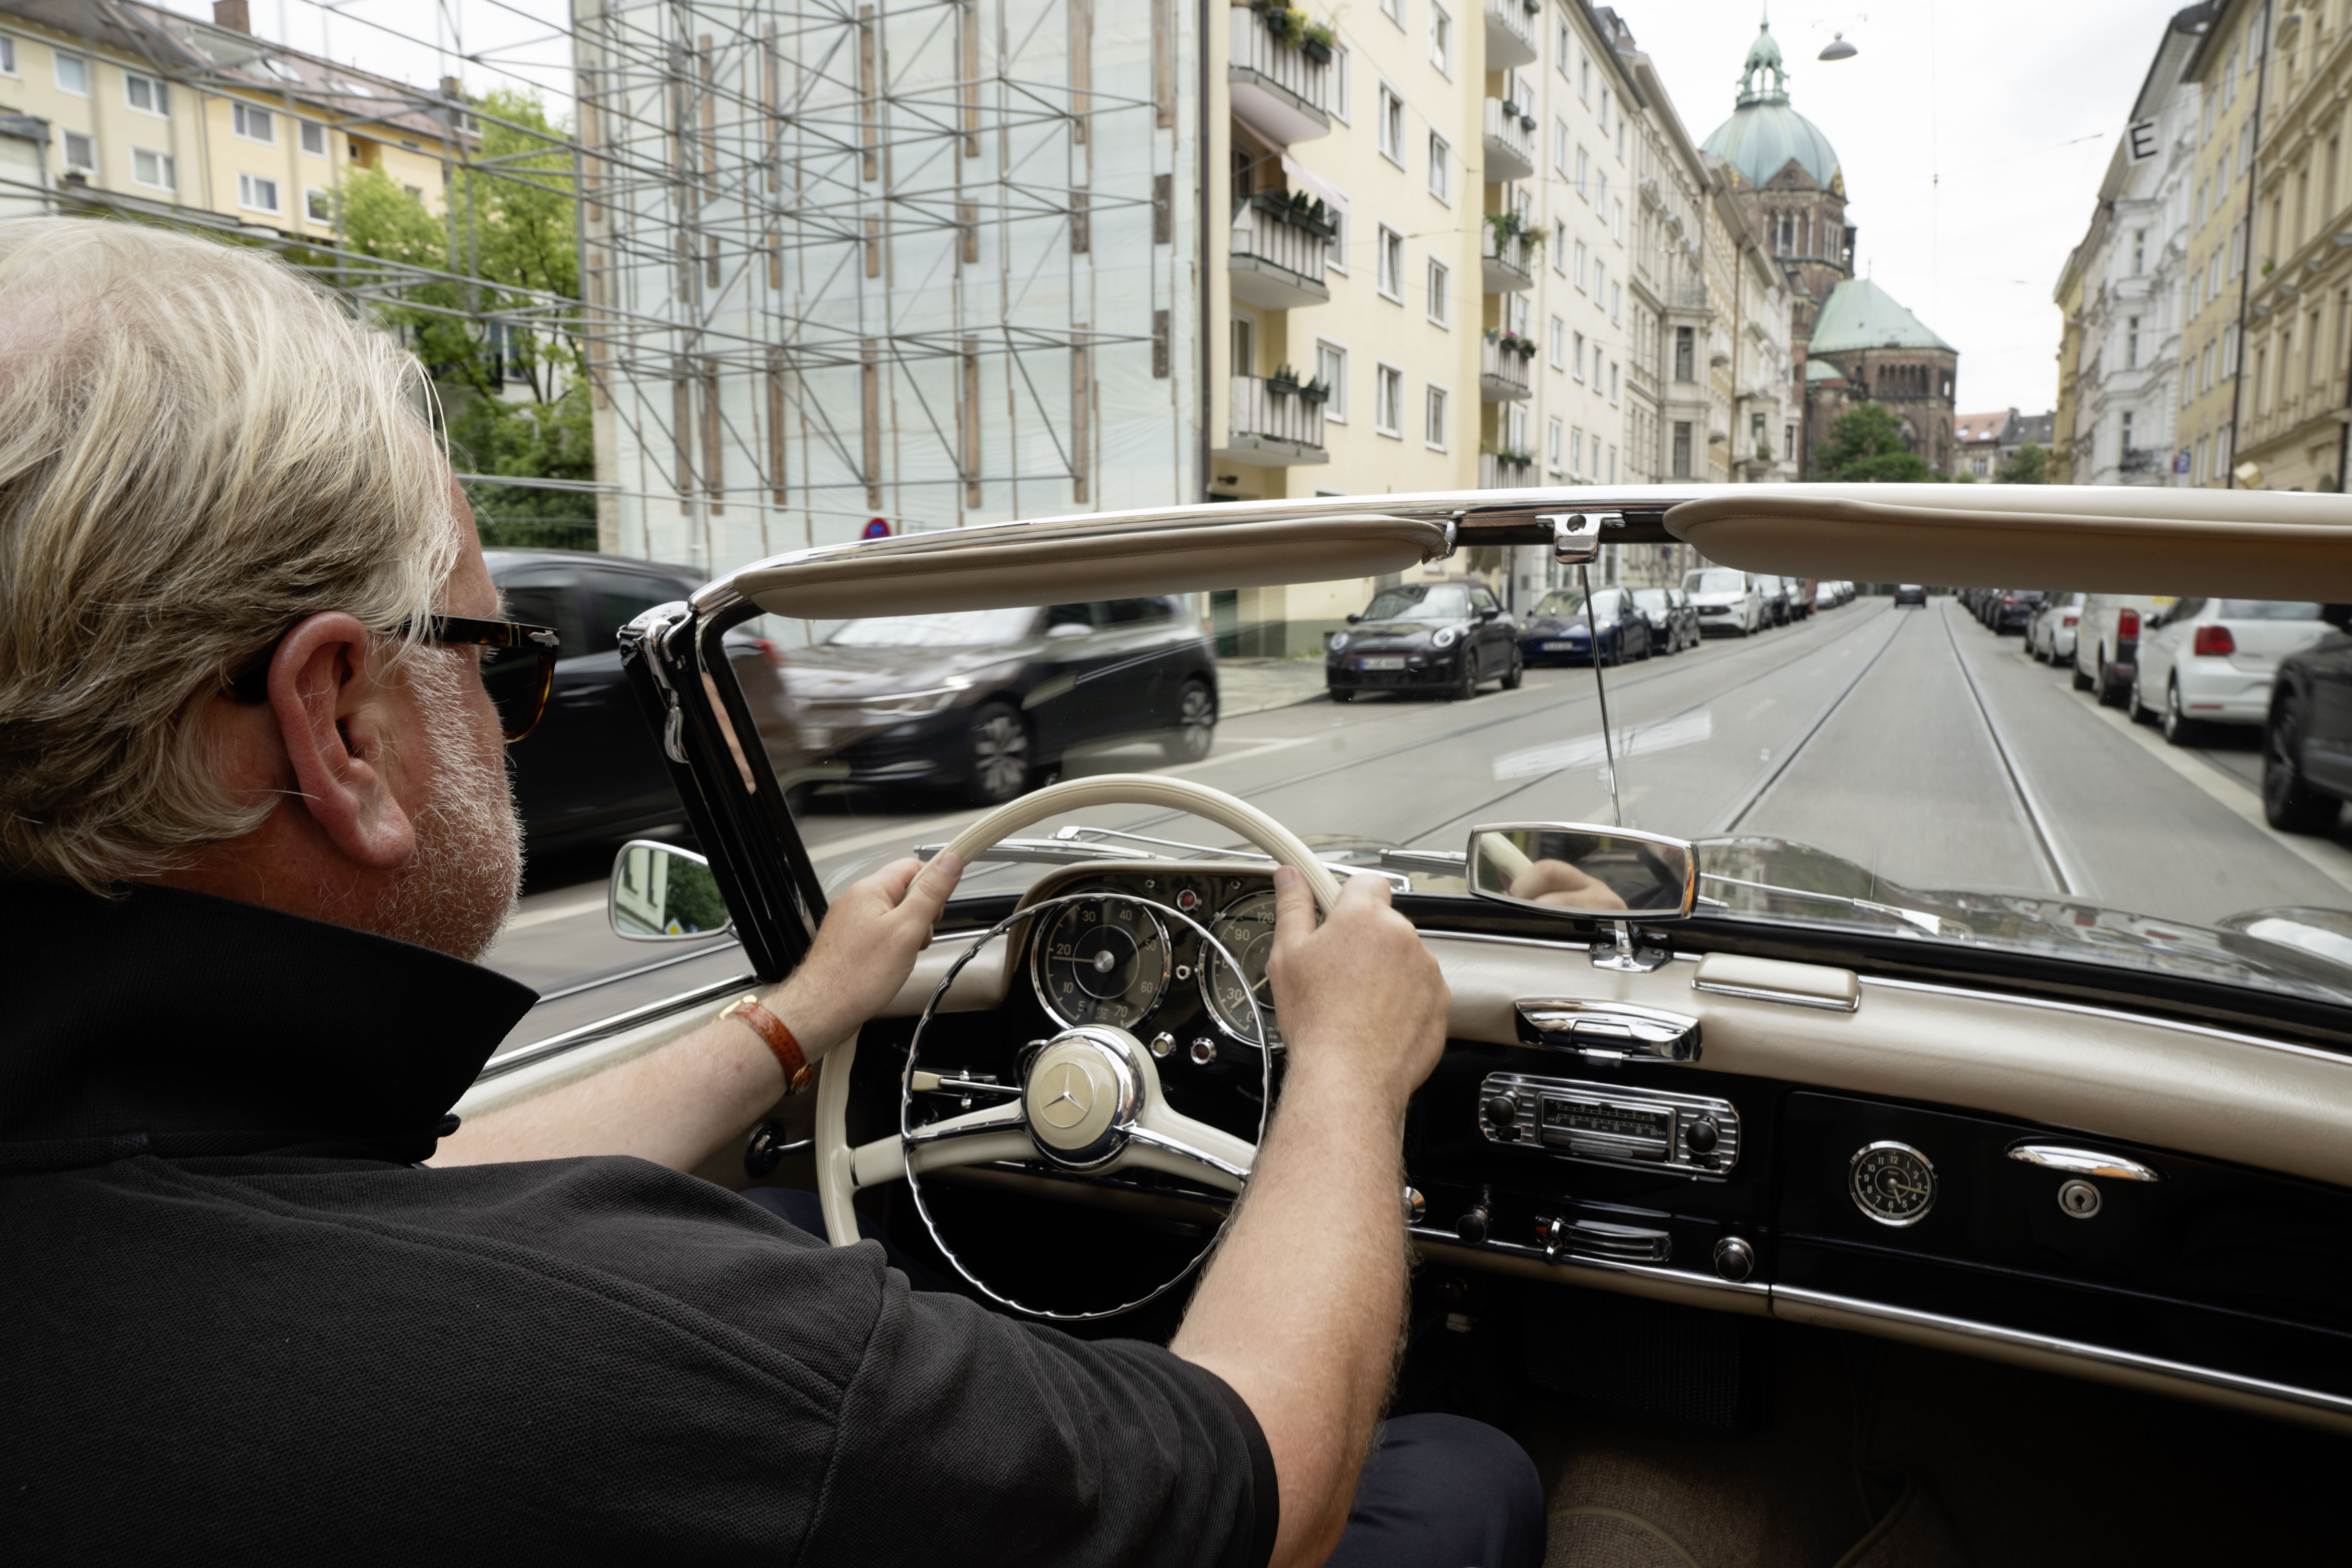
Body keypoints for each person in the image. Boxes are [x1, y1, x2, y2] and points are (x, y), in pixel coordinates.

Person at [0, 217, 1542, 1566]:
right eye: (505, 662)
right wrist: (1346, 1068)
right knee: (1464, 1469)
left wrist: (802, 1020)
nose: (515, 717)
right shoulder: (664, 1359)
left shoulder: (177, 1186)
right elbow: (1267, 1474)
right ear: (340, 726)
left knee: (800, 1220)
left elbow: (423, 1179)